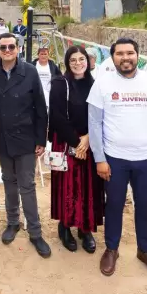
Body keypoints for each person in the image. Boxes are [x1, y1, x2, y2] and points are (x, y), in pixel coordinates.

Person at [88, 38, 147, 279]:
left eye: (130, 53)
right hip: (114, 159)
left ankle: (146, 251)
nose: (125, 58)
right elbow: (94, 124)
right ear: (112, 57)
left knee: (145, 207)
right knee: (113, 205)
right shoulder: (102, 84)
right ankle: (111, 249)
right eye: (120, 54)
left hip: (146, 159)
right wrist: (99, 158)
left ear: (138, 55)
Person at [0, 33, 51, 257]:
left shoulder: (29, 71)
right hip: (0, 139)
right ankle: (12, 222)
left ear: (18, 48)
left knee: (27, 184)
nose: (8, 50)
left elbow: (41, 108)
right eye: (3, 47)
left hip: (25, 138)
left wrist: (41, 140)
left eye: (11, 46)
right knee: (8, 181)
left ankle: (35, 232)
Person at [48, 46, 103, 253]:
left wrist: (88, 139)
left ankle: (85, 228)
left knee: (88, 187)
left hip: (90, 141)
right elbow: (57, 116)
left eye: (82, 59)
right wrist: (76, 142)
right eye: (73, 60)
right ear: (67, 62)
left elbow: (99, 114)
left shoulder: (94, 84)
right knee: (68, 187)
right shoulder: (60, 84)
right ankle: (65, 227)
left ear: (88, 62)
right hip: (65, 142)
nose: (78, 63)